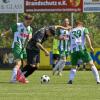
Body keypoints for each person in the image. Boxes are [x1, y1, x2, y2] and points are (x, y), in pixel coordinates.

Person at [4, 14, 33, 83]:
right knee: (19, 63)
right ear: (24, 20)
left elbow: (30, 36)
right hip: (17, 45)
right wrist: (3, 34)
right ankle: (13, 79)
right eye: (27, 22)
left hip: (24, 47)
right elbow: (10, 31)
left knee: (26, 64)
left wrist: (30, 37)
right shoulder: (18, 25)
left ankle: (21, 78)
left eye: (30, 22)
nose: (28, 23)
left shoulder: (30, 28)